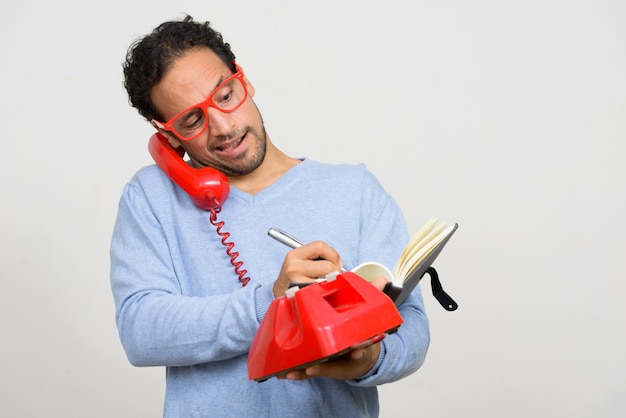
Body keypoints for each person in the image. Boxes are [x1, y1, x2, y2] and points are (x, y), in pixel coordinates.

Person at [110, 15, 430, 417]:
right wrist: (271, 301)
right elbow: (141, 331)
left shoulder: (356, 190)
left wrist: (368, 360)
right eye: (192, 120)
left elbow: (411, 326)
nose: (224, 127)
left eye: (225, 96)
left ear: (243, 80)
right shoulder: (151, 197)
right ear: (168, 137)